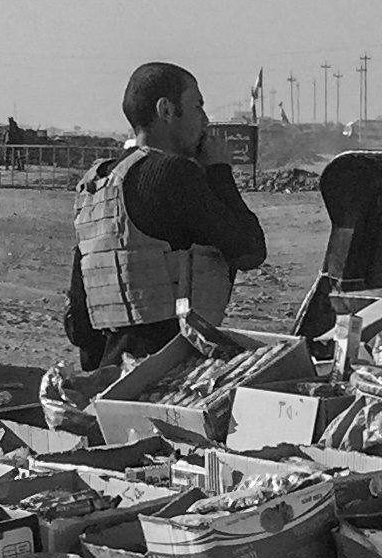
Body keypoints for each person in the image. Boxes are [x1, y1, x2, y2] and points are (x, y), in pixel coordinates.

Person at [68, 62, 264, 369]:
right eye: (197, 106)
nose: (205, 120)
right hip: (172, 371)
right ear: (167, 110)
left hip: (113, 372)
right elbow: (250, 249)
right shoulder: (172, 174)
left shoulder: (96, 183)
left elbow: (80, 322)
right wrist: (218, 171)